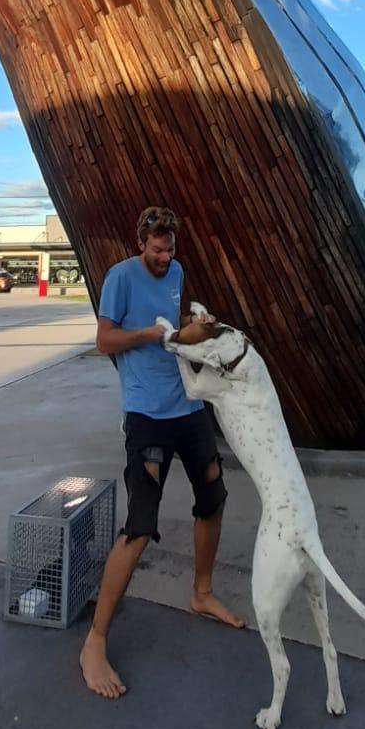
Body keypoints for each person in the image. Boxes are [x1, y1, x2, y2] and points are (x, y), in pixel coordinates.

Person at [79, 205, 245, 699]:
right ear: (140, 244)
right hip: (146, 415)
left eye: (170, 249)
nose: (164, 257)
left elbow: (176, 339)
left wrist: (203, 330)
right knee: (141, 525)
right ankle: (95, 642)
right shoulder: (120, 277)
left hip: (187, 406)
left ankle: (201, 593)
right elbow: (104, 341)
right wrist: (145, 335)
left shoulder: (176, 271)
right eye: (157, 249)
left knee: (213, 494)